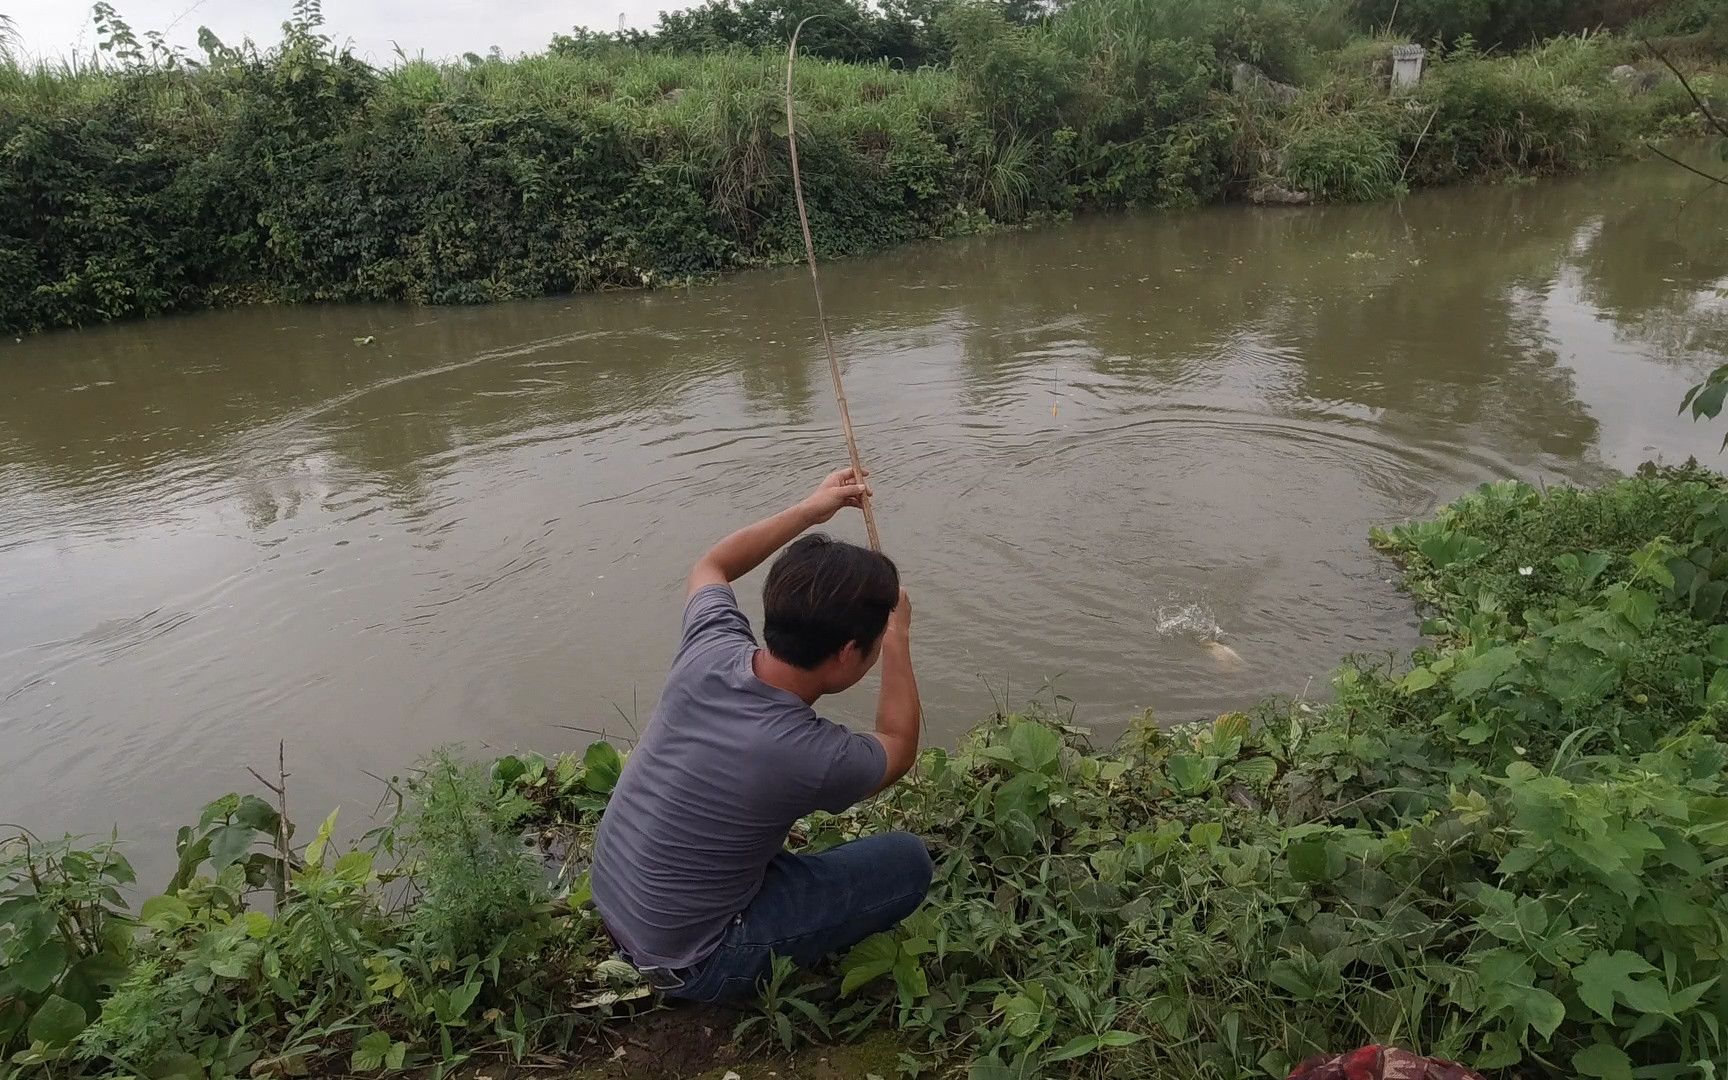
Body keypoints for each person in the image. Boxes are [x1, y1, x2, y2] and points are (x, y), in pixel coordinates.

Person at [589, 466, 931, 1004]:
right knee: (907, 864)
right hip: (693, 960)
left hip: (617, 899)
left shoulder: (710, 650)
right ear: (846, 653)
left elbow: (713, 565)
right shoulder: (805, 753)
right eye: (868, 646)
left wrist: (809, 509)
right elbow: (898, 744)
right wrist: (899, 637)